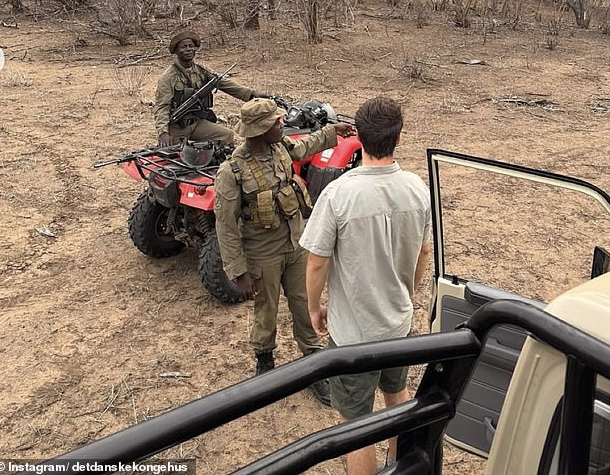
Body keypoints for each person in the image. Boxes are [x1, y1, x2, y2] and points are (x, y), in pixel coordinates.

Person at [300, 96, 431, 475]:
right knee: (398, 395)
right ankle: (399, 464)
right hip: (398, 324)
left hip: (354, 335)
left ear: (358, 138)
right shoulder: (417, 188)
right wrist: (408, 292)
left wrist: (314, 307)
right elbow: (423, 252)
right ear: (398, 138)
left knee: (356, 426)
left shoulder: (339, 194)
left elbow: (317, 261)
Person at [214, 97, 356, 405]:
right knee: (266, 310)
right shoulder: (232, 172)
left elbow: (304, 147)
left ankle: (314, 365)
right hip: (263, 253)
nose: (283, 124)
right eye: (276, 122)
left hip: (295, 244)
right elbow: (225, 226)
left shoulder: (279, 148)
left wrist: (334, 132)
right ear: (261, 129)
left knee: (305, 303)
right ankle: (265, 361)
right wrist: (237, 272)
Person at [154, 30, 264, 147]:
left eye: (191, 46)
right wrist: (163, 133)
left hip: (197, 123)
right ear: (176, 51)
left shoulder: (201, 70)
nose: (188, 49)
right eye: (183, 47)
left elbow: (222, 83)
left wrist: (250, 94)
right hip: (177, 128)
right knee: (173, 156)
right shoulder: (168, 77)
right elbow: (162, 107)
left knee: (226, 136)